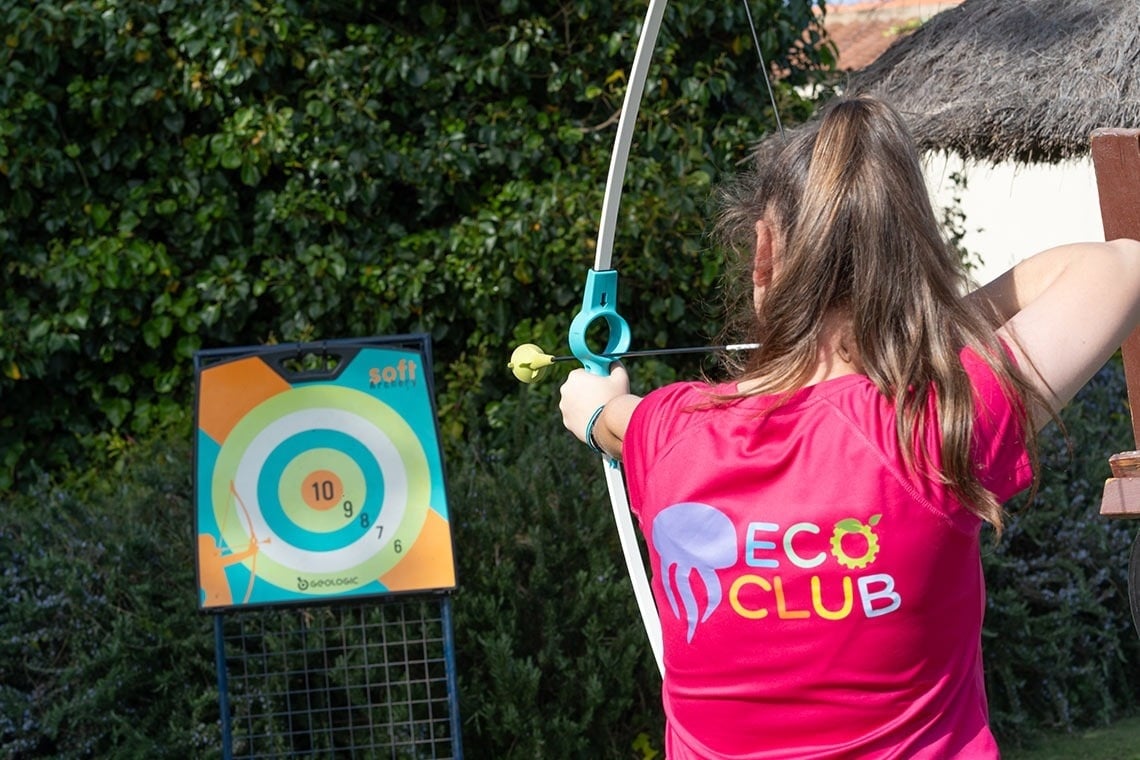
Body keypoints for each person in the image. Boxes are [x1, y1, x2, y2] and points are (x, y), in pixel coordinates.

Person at [558, 95, 1140, 759]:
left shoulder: (667, 430)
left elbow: (599, 416)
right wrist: (928, 328)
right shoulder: (939, 421)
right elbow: (1120, 264)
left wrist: (594, 394)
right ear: (912, 267)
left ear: (763, 258)